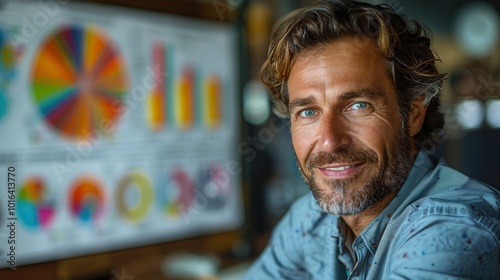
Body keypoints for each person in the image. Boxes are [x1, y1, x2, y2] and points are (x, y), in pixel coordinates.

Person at [243, 0, 500, 279]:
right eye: (308, 112)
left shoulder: (454, 235)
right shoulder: (308, 220)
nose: (330, 141)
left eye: (358, 106)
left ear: (413, 114)